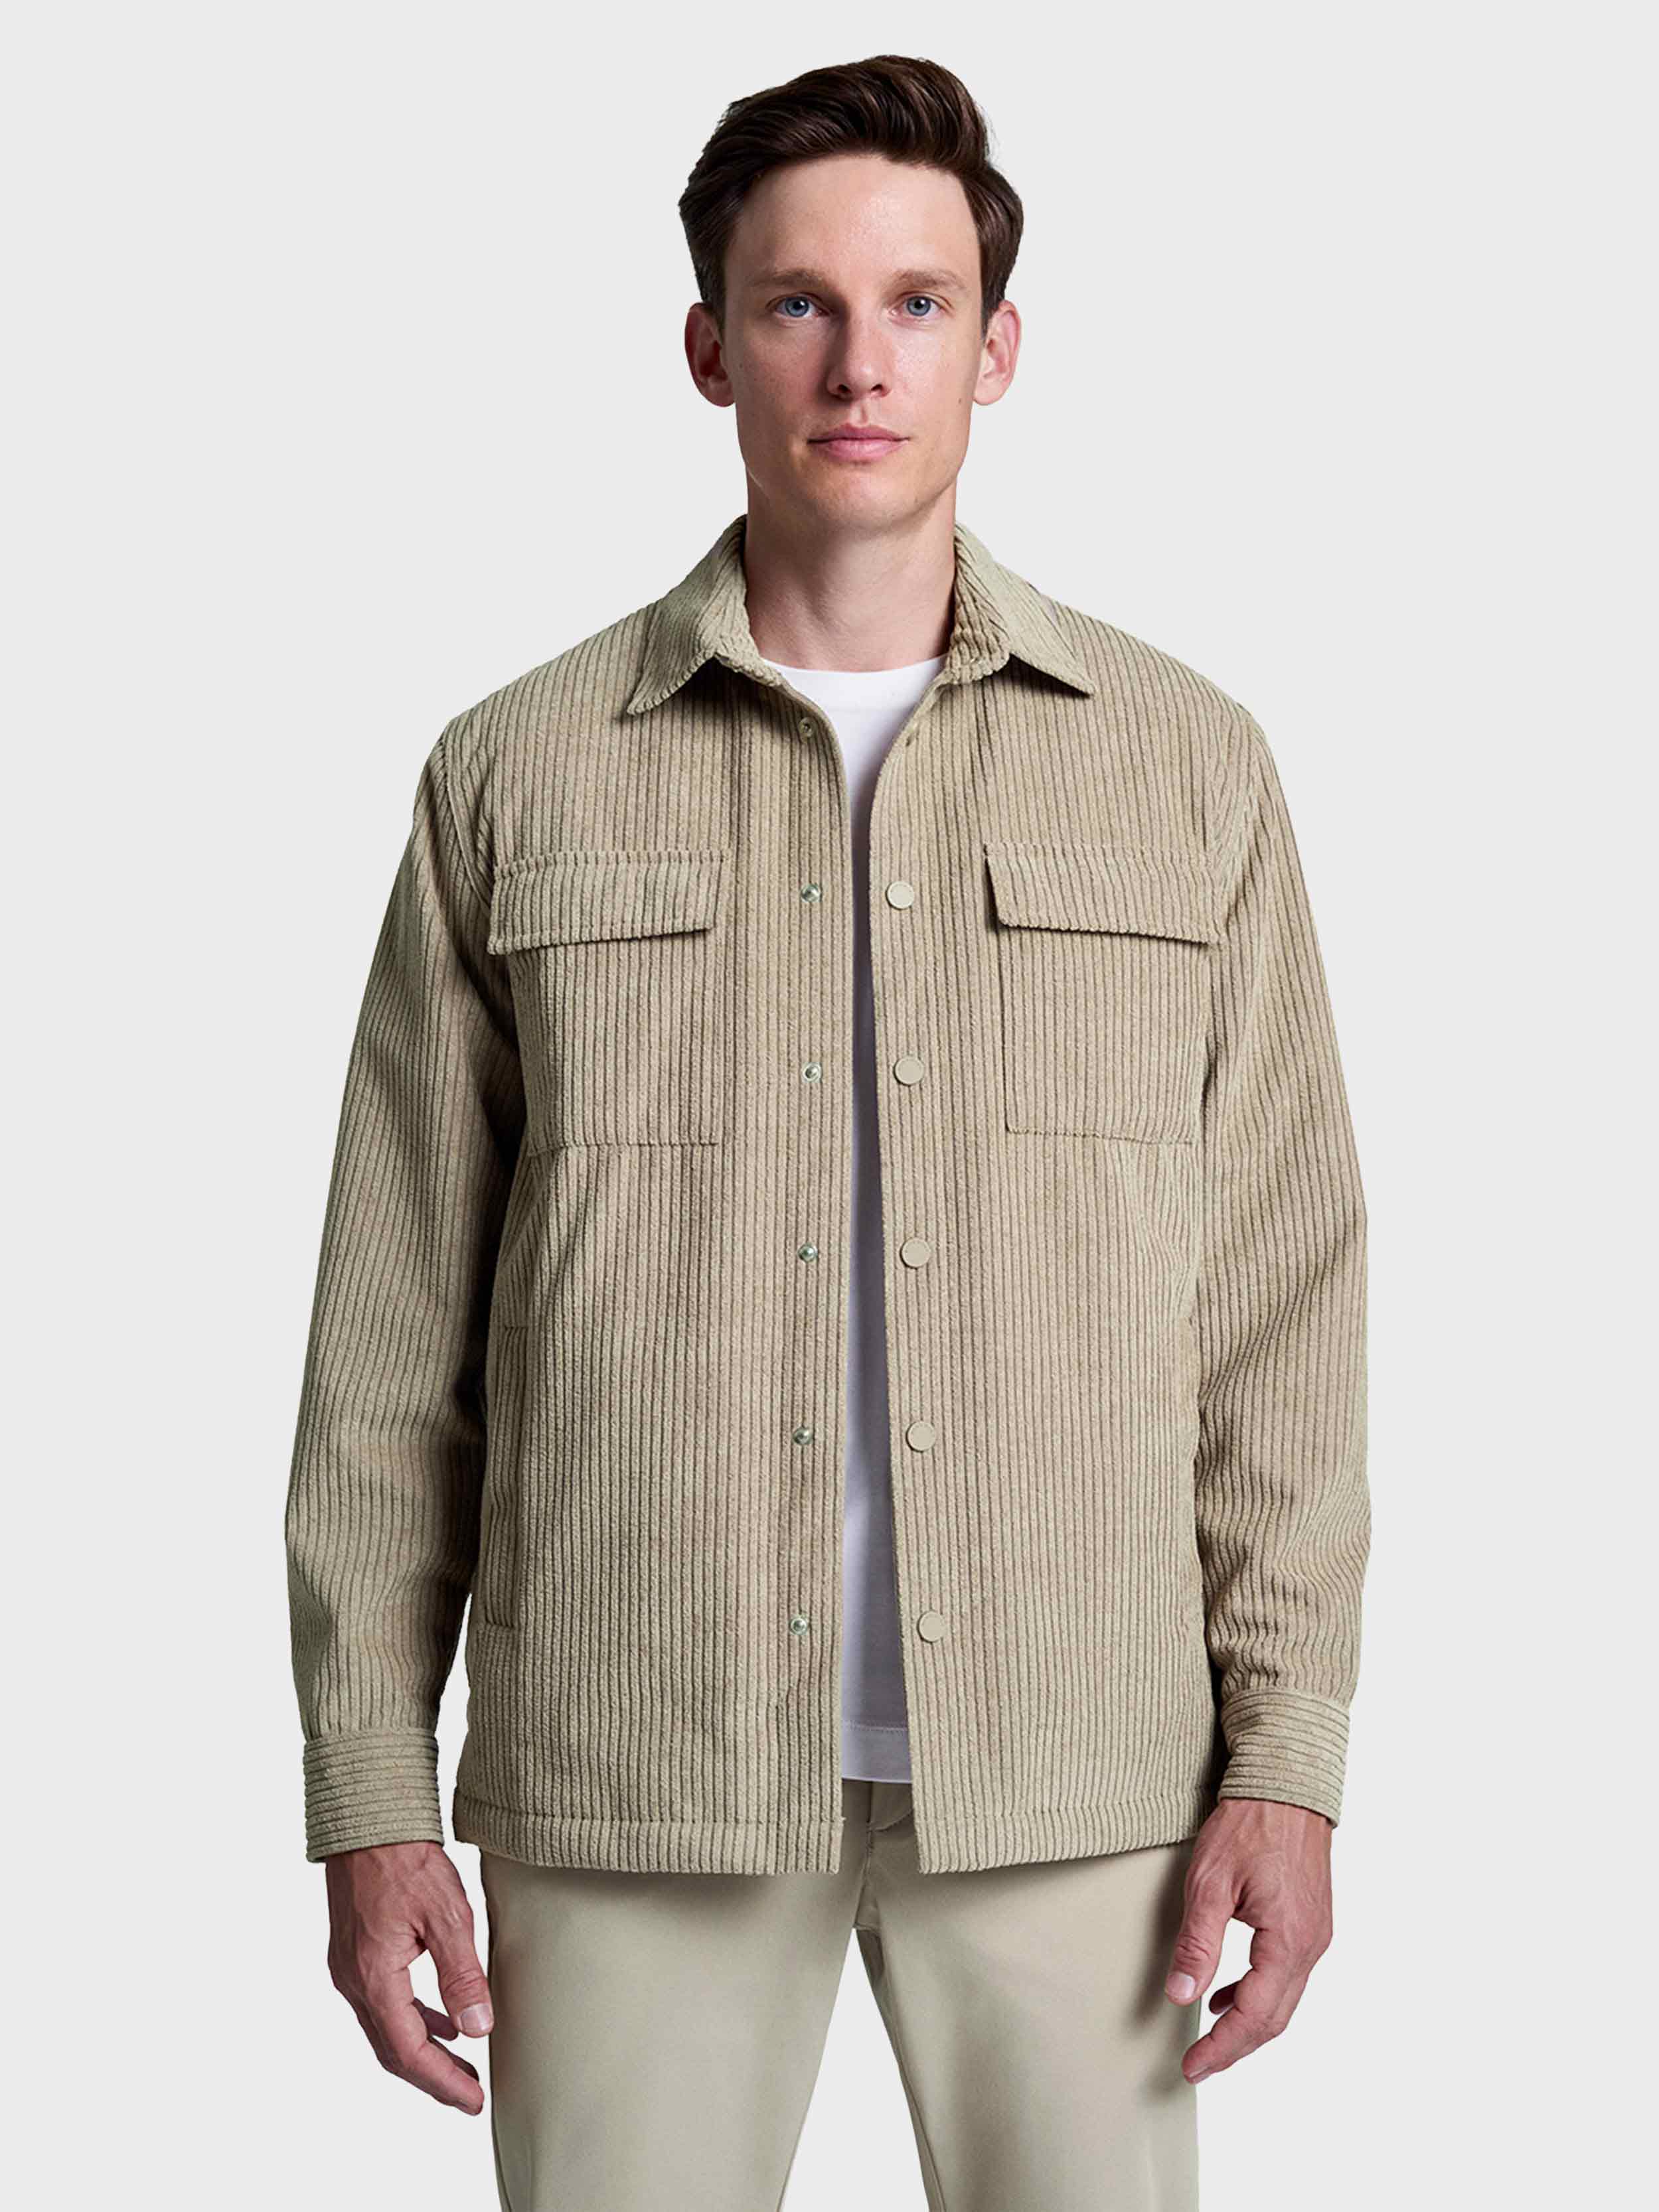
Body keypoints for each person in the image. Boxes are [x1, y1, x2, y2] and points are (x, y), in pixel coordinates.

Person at [284, 51, 1370, 2212]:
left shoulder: (1182, 768)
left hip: (1080, 1771)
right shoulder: (517, 774)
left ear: (996, 347)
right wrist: (368, 1791)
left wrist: (1288, 1758)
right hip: (637, 1763)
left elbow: (1279, 1314)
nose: (858, 364)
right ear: (709, 347)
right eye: (796, 305)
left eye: (914, 304)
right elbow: (390, 1345)